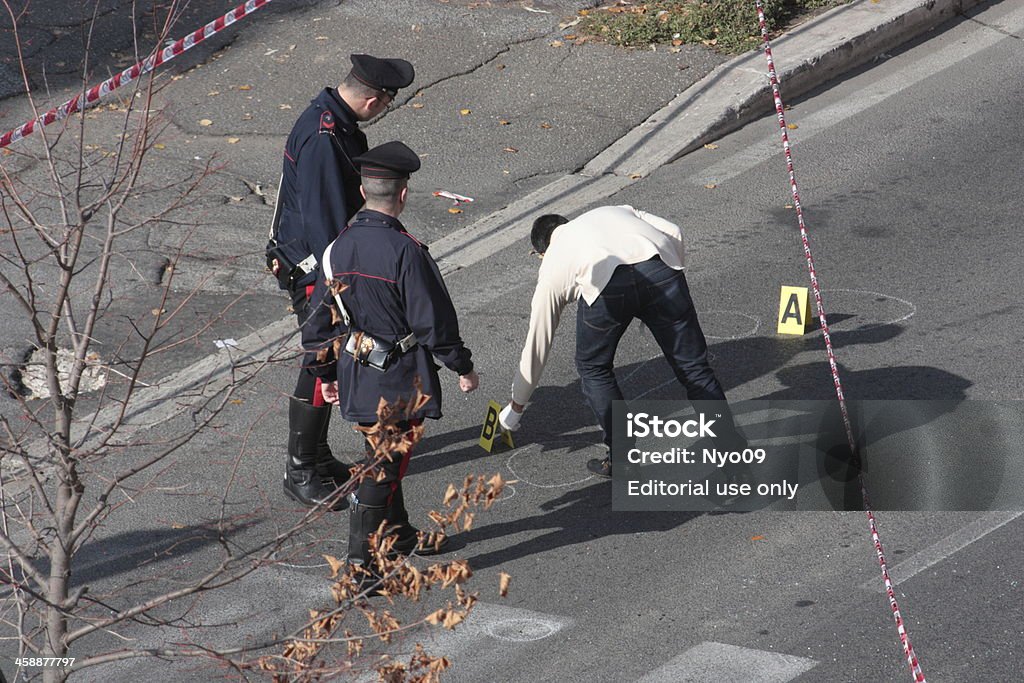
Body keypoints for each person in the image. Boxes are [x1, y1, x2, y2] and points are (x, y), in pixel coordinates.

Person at [301, 141, 479, 585]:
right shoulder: (406, 252)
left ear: (364, 191)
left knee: (381, 458)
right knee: (382, 470)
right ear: (402, 194)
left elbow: (317, 325)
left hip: (357, 375)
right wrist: (462, 366)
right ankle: (361, 568)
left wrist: (325, 375)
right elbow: (434, 321)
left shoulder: (335, 249)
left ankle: (398, 536)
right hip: (398, 382)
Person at [498, 205, 742, 477]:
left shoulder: (554, 259)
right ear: (567, 223)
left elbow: (538, 341)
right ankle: (730, 451)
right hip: (661, 269)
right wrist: (672, 276)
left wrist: (517, 406)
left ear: (540, 252)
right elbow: (673, 230)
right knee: (694, 368)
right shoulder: (613, 210)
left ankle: (623, 458)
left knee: (594, 369)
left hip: (608, 288)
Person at [273, 54, 414, 509]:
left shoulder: (334, 122)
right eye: (388, 101)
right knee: (323, 357)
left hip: (319, 260)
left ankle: (315, 452)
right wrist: (346, 280)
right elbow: (323, 222)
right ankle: (301, 469)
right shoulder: (325, 138)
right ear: (373, 99)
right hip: (318, 269)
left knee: (326, 356)